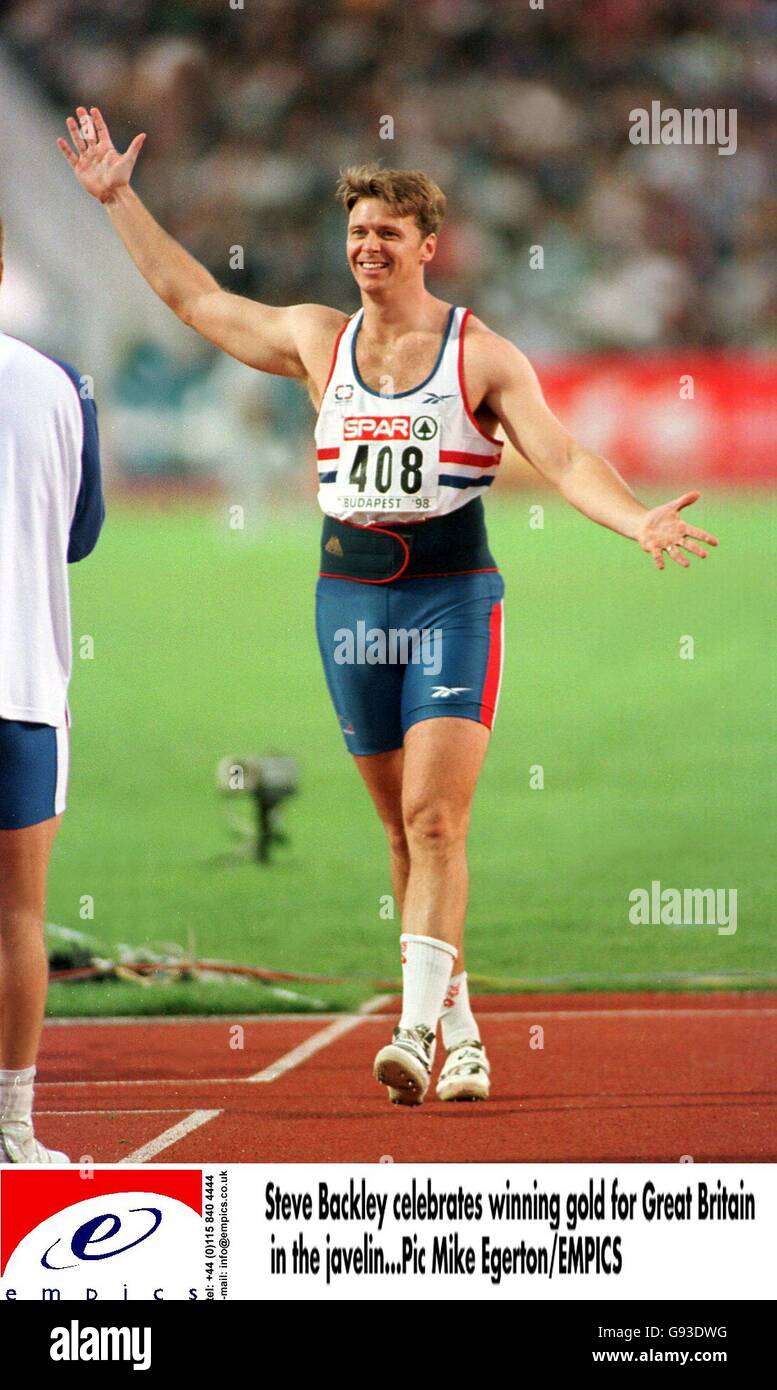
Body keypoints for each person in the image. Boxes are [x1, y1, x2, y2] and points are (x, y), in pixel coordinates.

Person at [58, 107, 718, 1107]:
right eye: (357, 233)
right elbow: (192, 297)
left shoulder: (479, 353)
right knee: (403, 837)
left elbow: (567, 454)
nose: (367, 248)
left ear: (427, 245)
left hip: (452, 597)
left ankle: (411, 1032)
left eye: (386, 235)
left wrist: (633, 522)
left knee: (436, 820)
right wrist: (118, 200)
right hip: (349, 601)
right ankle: (463, 1028)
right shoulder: (317, 341)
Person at [0, 218, 104, 1161]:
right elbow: (80, 535)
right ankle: (15, 1133)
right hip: (22, 687)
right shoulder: (61, 383)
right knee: (18, 919)